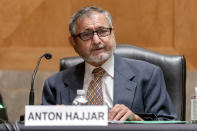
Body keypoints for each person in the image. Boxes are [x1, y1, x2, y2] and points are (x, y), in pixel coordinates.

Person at [42, 6, 176, 121]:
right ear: (74, 42)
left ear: (113, 34)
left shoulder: (148, 75)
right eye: (86, 35)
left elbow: (168, 123)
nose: (96, 40)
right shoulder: (55, 85)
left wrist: (136, 120)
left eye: (102, 31)